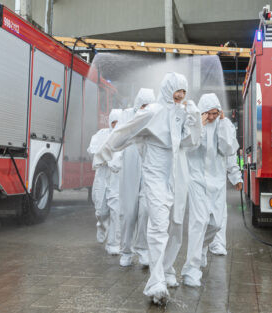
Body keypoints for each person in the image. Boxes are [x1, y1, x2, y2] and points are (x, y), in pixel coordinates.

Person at [93, 72, 201, 304]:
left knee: (176, 225)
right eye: (177, 91)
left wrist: (194, 117)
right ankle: (156, 281)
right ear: (167, 90)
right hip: (155, 175)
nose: (180, 96)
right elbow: (125, 131)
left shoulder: (183, 114)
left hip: (178, 175)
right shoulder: (153, 112)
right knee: (158, 225)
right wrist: (105, 152)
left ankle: (167, 268)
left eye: (184, 92)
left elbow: (192, 142)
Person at [181, 93, 239, 286]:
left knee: (215, 224)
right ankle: (191, 269)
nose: (213, 117)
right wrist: (199, 125)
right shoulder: (194, 123)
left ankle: (202, 248)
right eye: (209, 113)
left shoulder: (225, 125)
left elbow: (229, 149)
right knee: (199, 222)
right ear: (203, 112)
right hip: (197, 180)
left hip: (217, 182)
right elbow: (186, 146)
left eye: (216, 113)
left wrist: (235, 177)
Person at [119, 88, 155, 267]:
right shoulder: (127, 116)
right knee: (129, 213)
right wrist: (115, 159)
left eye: (149, 106)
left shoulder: (155, 117)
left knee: (146, 211)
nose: (145, 109)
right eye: (143, 105)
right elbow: (116, 137)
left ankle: (142, 249)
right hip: (130, 169)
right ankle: (126, 250)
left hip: (148, 169)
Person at [87, 109, 123, 255]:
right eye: (113, 122)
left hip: (116, 178)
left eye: (118, 123)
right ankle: (102, 225)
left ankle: (114, 243)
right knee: (101, 211)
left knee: (116, 211)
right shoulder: (101, 135)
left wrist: (106, 157)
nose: (116, 126)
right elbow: (93, 151)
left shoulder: (125, 137)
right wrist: (108, 158)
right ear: (110, 123)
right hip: (102, 177)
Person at [208, 147, 243, 256]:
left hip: (218, 176)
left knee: (219, 214)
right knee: (200, 217)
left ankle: (217, 243)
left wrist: (236, 176)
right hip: (197, 175)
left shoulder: (225, 129)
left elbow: (230, 148)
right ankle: (200, 247)